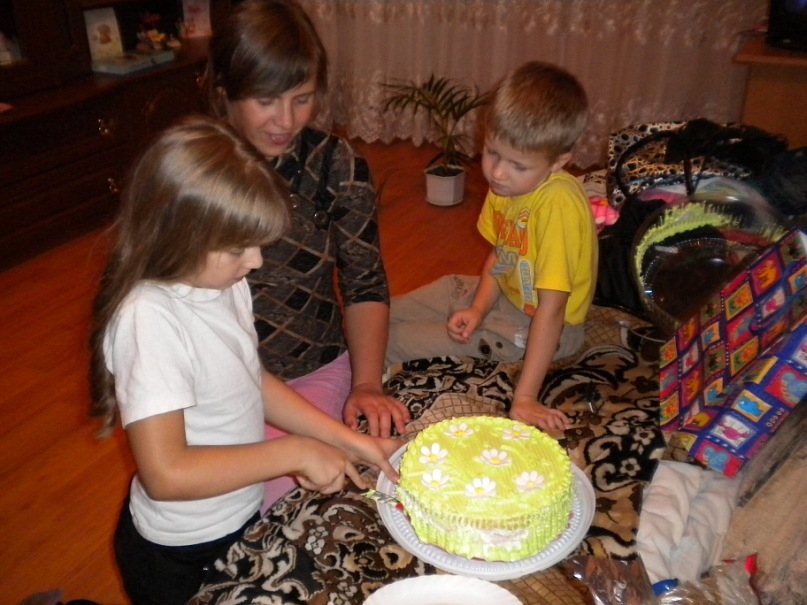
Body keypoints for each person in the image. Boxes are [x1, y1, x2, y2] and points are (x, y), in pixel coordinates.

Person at [87, 115, 401, 605]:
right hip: (180, 555)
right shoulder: (149, 319)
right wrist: (294, 452)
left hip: (239, 519)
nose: (256, 261)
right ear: (180, 235)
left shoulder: (223, 283)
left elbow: (250, 379)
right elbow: (166, 473)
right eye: (239, 248)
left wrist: (345, 440)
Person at [205, 0, 410, 511]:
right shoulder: (195, 175)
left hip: (309, 373)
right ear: (225, 91)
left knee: (275, 501)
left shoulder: (337, 165)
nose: (286, 120)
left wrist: (367, 382)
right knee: (217, 502)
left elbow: (365, 282)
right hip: (217, 381)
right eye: (266, 100)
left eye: (302, 99)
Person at [386, 61, 597, 432]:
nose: (497, 173)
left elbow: (552, 309)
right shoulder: (509, 186)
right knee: (382, 312)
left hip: (540, 322)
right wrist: (478, 307)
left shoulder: (558, 207)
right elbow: (502, 255)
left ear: (558, 162)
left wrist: (525, 397)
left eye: (517, 165)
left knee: (394, 340)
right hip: (504, 294)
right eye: (492, 152)